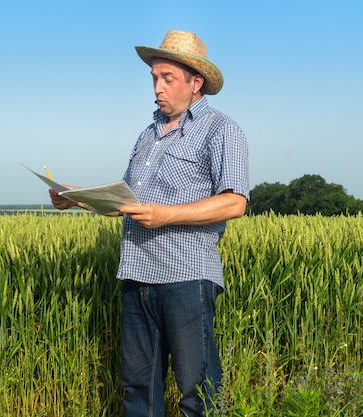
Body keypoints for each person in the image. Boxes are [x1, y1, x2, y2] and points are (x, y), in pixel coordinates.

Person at [49, 29, 249, 417]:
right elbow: (128, 205)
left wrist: (166, 214)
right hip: (137, 277)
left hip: (187, 278)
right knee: (138, 388)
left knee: (198, 389)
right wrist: (78, 198)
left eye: (167, 79)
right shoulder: (148, 134)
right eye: (154, 78)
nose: (157, 87)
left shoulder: (221, 130)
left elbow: (235, 202)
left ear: (196, 83)